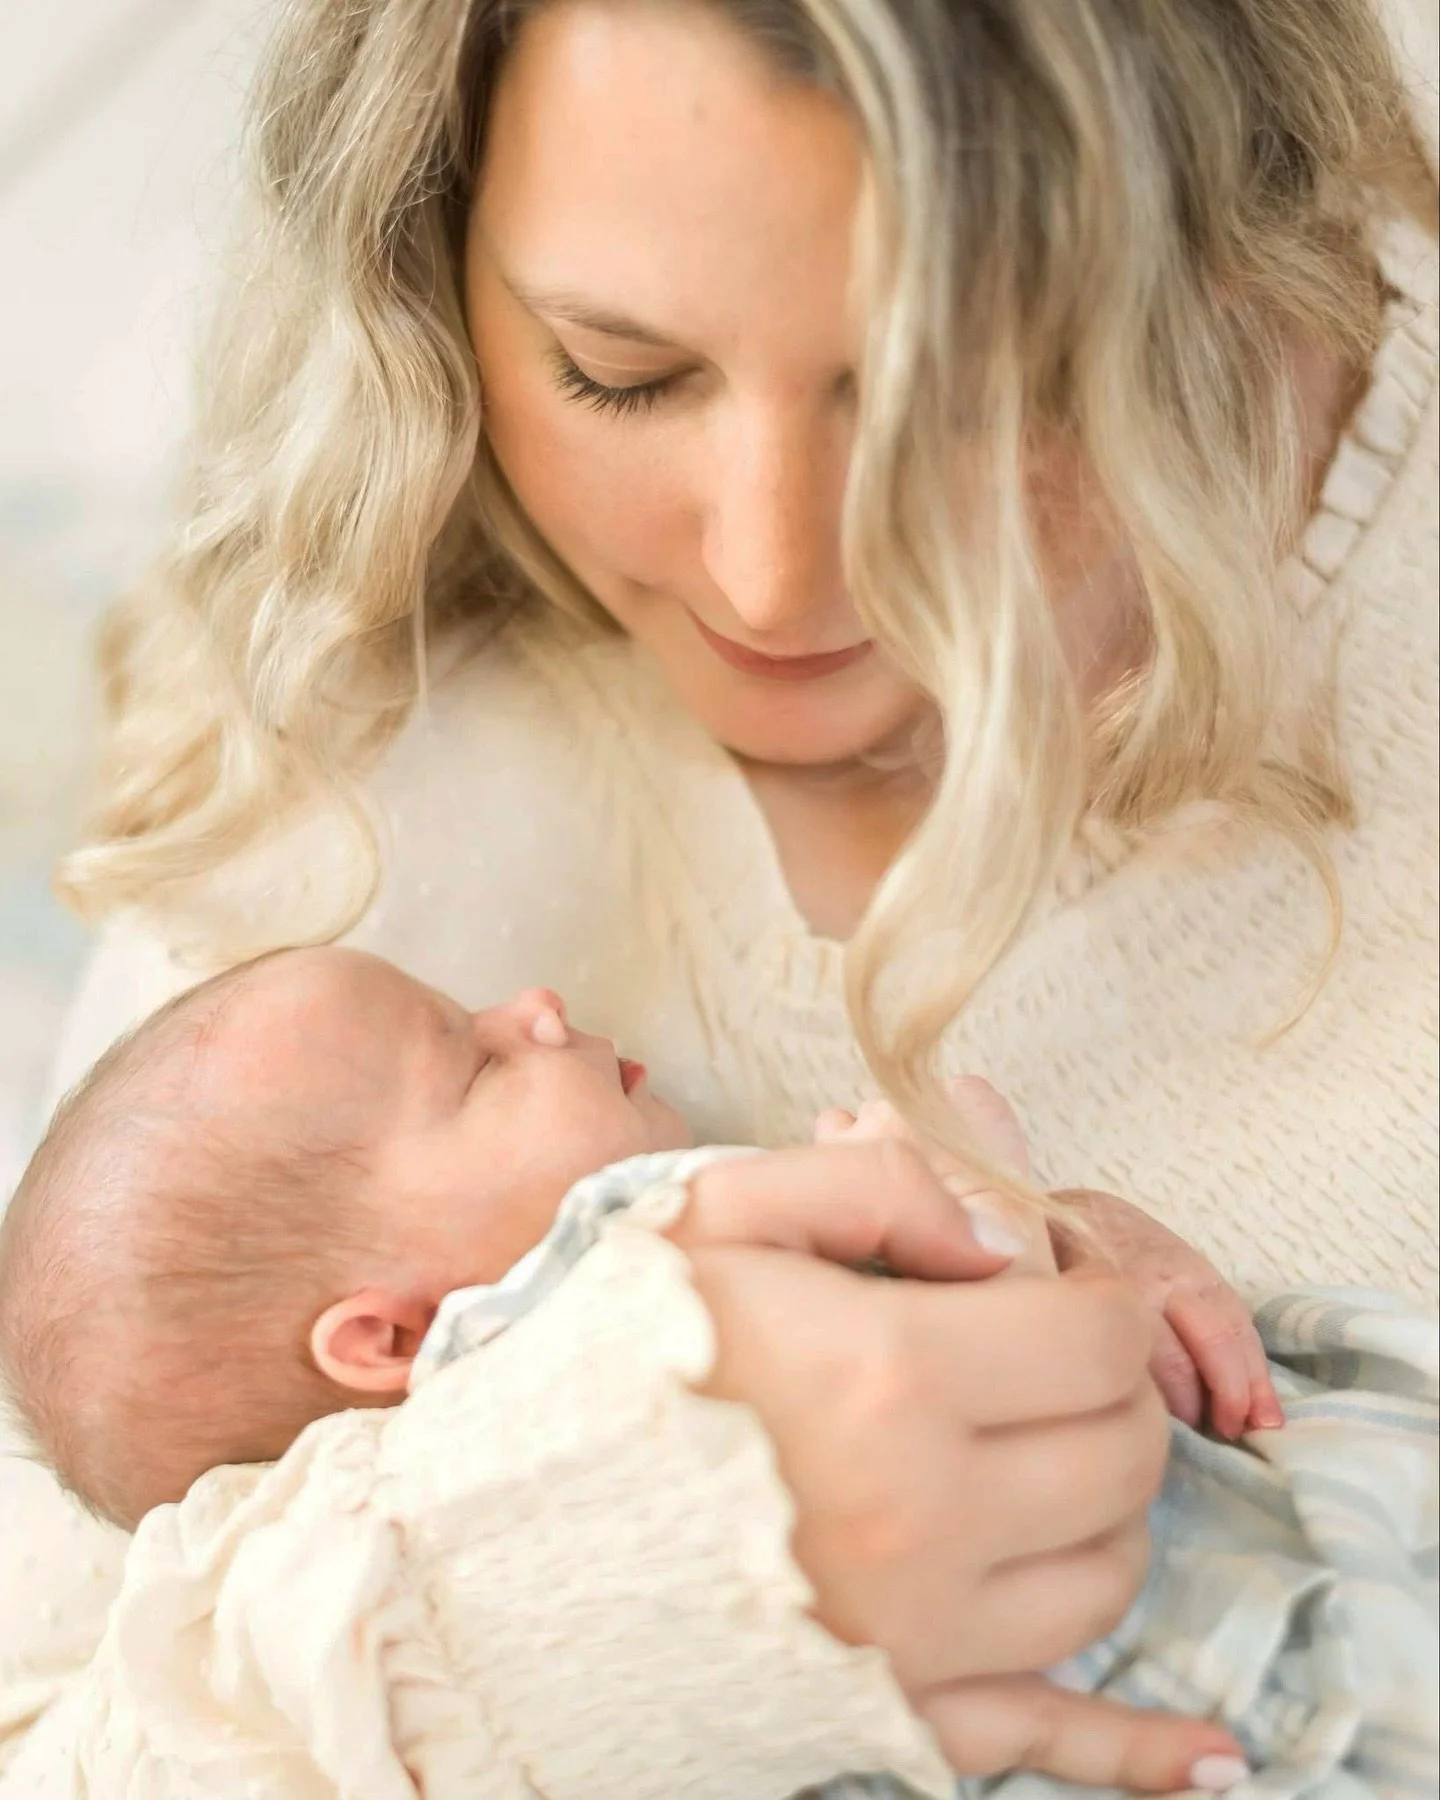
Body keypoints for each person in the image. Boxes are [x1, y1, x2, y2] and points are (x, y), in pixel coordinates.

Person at [0, 0, 1434, 1783]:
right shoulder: (353, 754)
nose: (770, 572)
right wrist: (562, 1609)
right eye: (621, 372)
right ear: (429, 252)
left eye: (953, 389)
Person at [10, 945, 1433, 1800]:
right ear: (386, 1342)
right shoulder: (599, 1303)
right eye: (473, 1062)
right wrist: (947, 1165)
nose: (540, 1004)